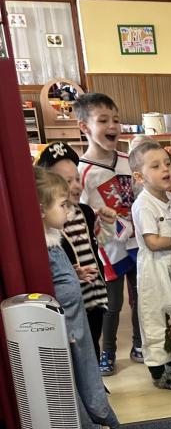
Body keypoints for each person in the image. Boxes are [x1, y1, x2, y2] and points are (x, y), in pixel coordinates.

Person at [35, 168, 118, 429]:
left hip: (74, 319)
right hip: (65, 325)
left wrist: (74, 272)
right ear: (41, 209)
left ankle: (96, 417)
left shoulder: (53, 240)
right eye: (62, 205)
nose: (68, 210)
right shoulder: (42, 248)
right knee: (69, 377)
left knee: (84, 369)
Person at [74, 91, 142, 375]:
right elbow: (79, 212)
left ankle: (139, 343)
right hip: (107, 249)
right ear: (84, 127)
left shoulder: (130, 161)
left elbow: (141, 194)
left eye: (116, 119)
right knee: (112, 303)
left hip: (137, 242)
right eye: (103, 120)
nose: (112, 126)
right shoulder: (81, 171)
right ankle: (108, 350)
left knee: (140, 296)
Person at [36, 142, 107, 358]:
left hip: (95, 293)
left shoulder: (86, 211)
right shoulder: (50, 224)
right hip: (72, 301)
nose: (76, 186)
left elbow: (98, 242)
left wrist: (107, 224)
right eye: (67, 181)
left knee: (93, 344)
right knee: (77, 350)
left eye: (77, 178)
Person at [129, 141, 171, 390]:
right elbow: (152, 242)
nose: (166, 169)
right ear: (140, 177)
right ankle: (159, 371)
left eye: (168, 163)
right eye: (156, 166)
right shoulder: (144, 204)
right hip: (154, 270)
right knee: (156, 317)